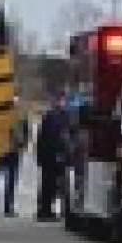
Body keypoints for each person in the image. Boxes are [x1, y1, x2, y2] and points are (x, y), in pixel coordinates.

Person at [0, 98, 29, 218]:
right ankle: (4, 208)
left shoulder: (0, 116)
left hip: (4, 151)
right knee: (4, 180)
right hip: (6, 151)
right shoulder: (18, 116)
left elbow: (26, 133)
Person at [35, 92, 71, 221]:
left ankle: (45, 210)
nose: (63, 103)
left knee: (49, 184)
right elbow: (56, 138)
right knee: (51, 185)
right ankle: (46, 211)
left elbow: (41, 138)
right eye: (62, 100)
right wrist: (60, 153)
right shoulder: (56, 116)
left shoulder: (51, 116)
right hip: (53, 156)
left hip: (48, 156)